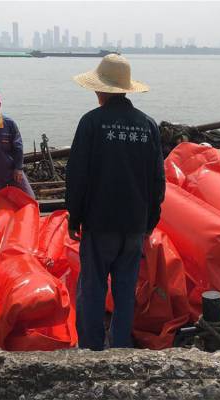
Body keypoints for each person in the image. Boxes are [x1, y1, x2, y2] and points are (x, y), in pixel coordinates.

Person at [66, 54, 166, 351]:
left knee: (93, 289)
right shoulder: (147, 126)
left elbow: (77, 176)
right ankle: (122, 348)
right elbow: (157, 182)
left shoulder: (91, 123)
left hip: (99, 225)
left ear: (101, 90)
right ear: (124, 89)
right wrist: (149, 224)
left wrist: (74, 218)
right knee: (125, 290)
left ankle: (92, 350)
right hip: (134, 226)